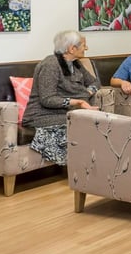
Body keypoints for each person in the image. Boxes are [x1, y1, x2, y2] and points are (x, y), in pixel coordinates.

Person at [22, 30, 101, 165]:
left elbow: (95, 82)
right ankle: (84, 166)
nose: (86, 48)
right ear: (71, 49)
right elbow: (47, 99)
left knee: (100, 121)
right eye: (83, 45)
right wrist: (77, 102)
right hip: (42, 115)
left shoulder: (75, 64)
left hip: (65, 112)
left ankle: (93, 165)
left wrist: (88, 93)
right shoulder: (50, 65)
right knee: (87, 122)